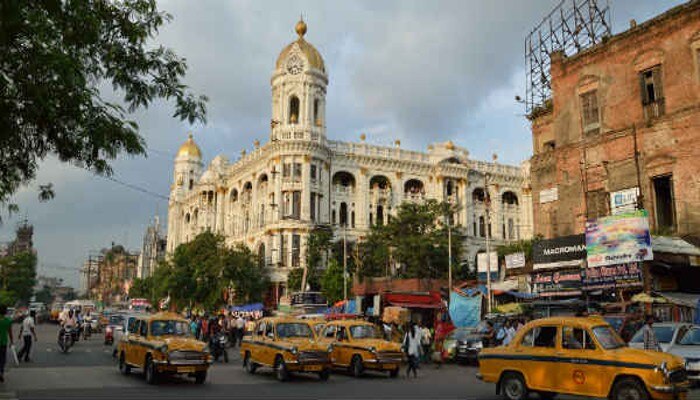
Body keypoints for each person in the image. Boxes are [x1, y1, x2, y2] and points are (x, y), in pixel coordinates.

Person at [0, 305, 14, 383]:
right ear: (5, 312)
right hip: (3, 343)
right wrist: (11, 341)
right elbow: (10, 333)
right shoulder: (8, 321)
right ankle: (1, 372)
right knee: (2, 359)